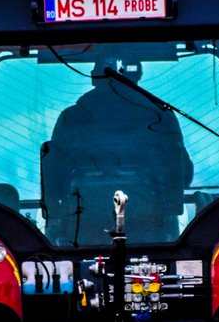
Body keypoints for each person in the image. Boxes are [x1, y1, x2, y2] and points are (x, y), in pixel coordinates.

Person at [42, 57, 193, 244]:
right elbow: (183, 175)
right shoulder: (162, 117)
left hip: (80, 233)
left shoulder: (70, 118)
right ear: (137, 74)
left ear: (93, 77)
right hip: (154, 233)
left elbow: (53, 179)